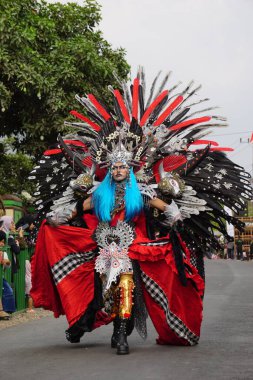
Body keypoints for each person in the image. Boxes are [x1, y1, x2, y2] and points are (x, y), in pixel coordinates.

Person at [30, 69, 251, 354]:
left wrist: (169, 211)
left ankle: (121, 334)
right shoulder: (98, 195)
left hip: (133, 250)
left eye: (124, 167)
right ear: (110, 170)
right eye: (115, 167)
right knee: (98, 293)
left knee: (126, 287)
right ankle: (86, 324)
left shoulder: (144, 195)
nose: (120, 170)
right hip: (99, 250)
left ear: (131, 170)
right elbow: (67, 215)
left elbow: (174, 215)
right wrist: (56, 219)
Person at [16, 215, 36, 312]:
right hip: (24, 258)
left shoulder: (27, 233)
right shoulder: (22, 230)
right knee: (28, 278)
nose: (33, 225)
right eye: (32, 223)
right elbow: (20, 230)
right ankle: (28, 298)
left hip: (25, 258)